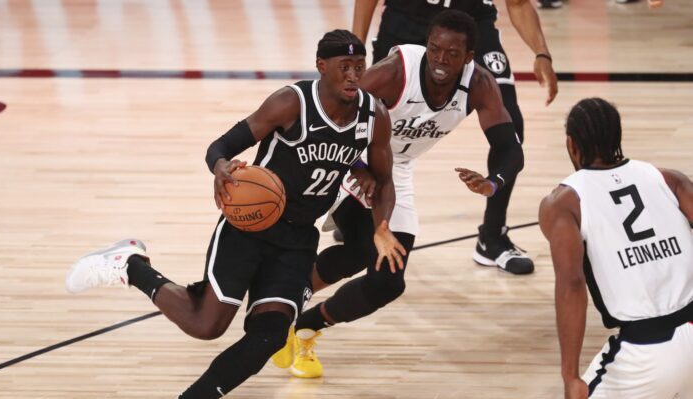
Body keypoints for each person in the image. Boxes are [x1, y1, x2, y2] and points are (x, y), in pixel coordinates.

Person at [64, 29, 406, 398]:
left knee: (270, 335)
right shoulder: (291, 103)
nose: (354, 75)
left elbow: (385, 182)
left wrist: (382, 227)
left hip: (298, 239)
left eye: (359, 66)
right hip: (250, 227)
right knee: (206, 325)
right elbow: (222, 145)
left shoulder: (375, 116)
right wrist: (221, 167)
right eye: (345, 67)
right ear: (322, 66)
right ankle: (130, 266)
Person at [271, 10, 526, 379]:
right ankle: (278, 305)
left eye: (452, 54)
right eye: (434, 49)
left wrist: (493, 182)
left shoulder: (481, 85)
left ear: (469, 57)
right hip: (351, 156)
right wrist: (359, 169)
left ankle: (304, 325)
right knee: (360, 249)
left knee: (388, 281)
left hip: (397, 169)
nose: (440, 60)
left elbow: (510, 148)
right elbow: (331, 111)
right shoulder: (395, 73)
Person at [351, 0, 558, 270]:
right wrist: (355, 51)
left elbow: (517, 4)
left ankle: (492, 236)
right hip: (406, 21)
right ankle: (358, 207)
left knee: (511, 127)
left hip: (471, 27)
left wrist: (542, 53)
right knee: (372, 119)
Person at [539, 98, 693, 399]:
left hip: (647, 356)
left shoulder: (563, 204)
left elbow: (572, 285)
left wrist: (570, 375)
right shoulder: (668, 179)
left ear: (571, 144)